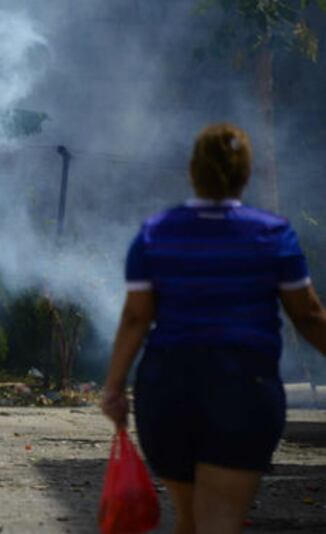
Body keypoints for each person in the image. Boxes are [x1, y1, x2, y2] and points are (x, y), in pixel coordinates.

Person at [101, 123, 326, 533]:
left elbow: (136, 317)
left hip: (168, 391)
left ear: (192, 170)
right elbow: (308, 316)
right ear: (246, 174)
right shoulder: (272, 234)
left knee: (188, 520)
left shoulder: (155, 233)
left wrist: (114, 388)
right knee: (220, 519)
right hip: (243, 390)